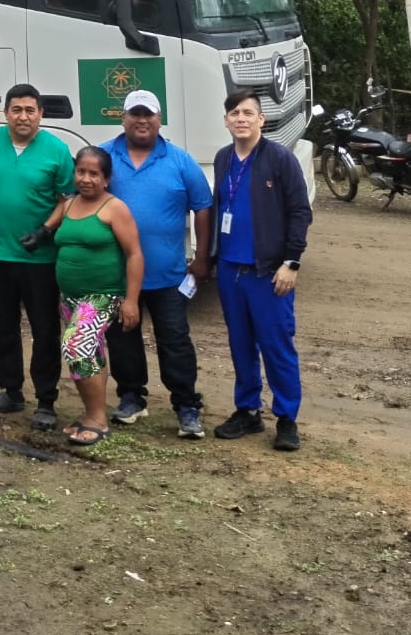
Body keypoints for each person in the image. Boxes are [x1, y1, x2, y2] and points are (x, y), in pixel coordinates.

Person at [201, 90, 313, 451]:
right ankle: (247, 411)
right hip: (230, 269)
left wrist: (291, 262)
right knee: (240, 344)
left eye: (248, 113)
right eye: (234, 113)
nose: (241, 119)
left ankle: (287, 419)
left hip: (268, 272)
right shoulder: (223, 158)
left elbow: (300, 211)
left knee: (276, 345)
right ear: (226, 121)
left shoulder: (279, 158)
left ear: (261, 120)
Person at [100, 89, 213, 439]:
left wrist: (202, 257)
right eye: (134, 114)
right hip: (117, 274)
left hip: (168, 274)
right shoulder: (104, 156)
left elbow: (203, 207)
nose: (141, 120)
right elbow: (81, 199)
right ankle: (132, 397)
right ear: (123, 118)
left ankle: (186, 405)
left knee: (175, 340)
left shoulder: (180, 160)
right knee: (122, 339)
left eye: (148, 114)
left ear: (159, 119)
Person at [0, 83, 75, 431]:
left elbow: (68, 199)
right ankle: (11, 390)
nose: (23, 116)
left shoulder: (56, 150)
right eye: (16, 109)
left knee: (44, 330)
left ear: (41, 114)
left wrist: (46, 230)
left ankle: (46, 400)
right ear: (6, 113)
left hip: (40, 259)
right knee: (3, 327)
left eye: (30, 110)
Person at [35, 146, 143, 446]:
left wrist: (131, 300)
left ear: (106, 179)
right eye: (81, 172)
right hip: (70, 297)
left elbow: (134, 254)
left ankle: (98, 420)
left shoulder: (114, 208)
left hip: (103, 295)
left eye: (94, 174)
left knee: (77, 346)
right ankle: (90, 413)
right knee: (88, 353)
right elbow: (56, 227)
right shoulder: (69, 205)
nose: (86, 178)